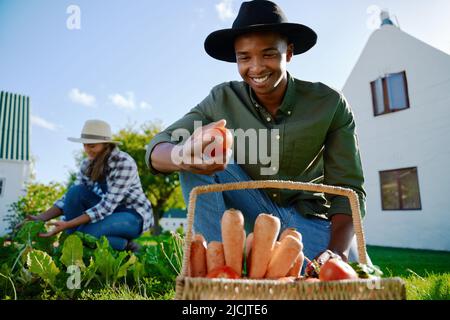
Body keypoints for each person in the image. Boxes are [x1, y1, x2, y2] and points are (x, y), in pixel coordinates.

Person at [146, 0, 368, 264]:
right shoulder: (222, 99)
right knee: (193, 151)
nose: (256, 67)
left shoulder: (330, 104)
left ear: (289, 53)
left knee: (352, 276)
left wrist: (338, 251)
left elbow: (348, 190)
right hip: (250, 215)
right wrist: (182, 155)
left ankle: (271, 261)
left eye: (269, 54)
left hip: (308, 220)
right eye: (244, 57)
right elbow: (158, 146)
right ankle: (219, 269)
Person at [23, 119, 153, 252]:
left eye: (92, 146)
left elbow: (106, 206)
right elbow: (67, 199)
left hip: (132, 216)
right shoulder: (87, 164)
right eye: (85, 145)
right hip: (107, 213)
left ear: (105, 145)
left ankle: (125, 247)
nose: (87, 150)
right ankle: (81, 246)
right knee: (75, 192)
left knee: (84, 236)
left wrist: (67, 225)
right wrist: (41, 218)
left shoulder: (123, 163)